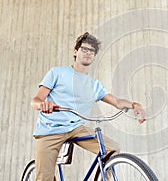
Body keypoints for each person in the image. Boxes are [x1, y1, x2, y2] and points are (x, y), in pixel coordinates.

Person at [31, 32, 146, 181]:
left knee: (112, 149)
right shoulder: (57, 73)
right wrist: (43, 104)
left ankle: (103, 177)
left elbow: (117, 102)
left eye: (92, 51)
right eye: (84, 49)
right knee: (44, 178)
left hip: (76, 128)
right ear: (75, 51)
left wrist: (135, 105)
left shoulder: (94, 85)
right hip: (50, 129)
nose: (88, 53)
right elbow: (36, 100)